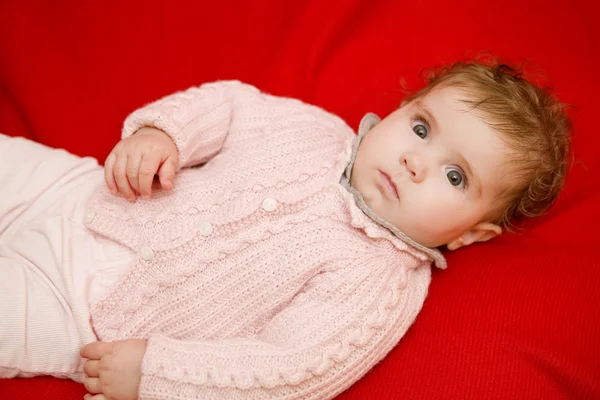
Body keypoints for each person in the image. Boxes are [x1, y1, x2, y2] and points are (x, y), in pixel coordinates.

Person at [0, 59, 571, 400]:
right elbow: (230, 106)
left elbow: (286, 372)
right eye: (421, 128)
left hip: (83, 310)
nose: (414, 162)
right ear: (401, 108)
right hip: (79, 191)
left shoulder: (378, 286)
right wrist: (164, 134)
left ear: (472, 234)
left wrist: (155, 372)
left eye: (454, 174)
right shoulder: (313, 128)